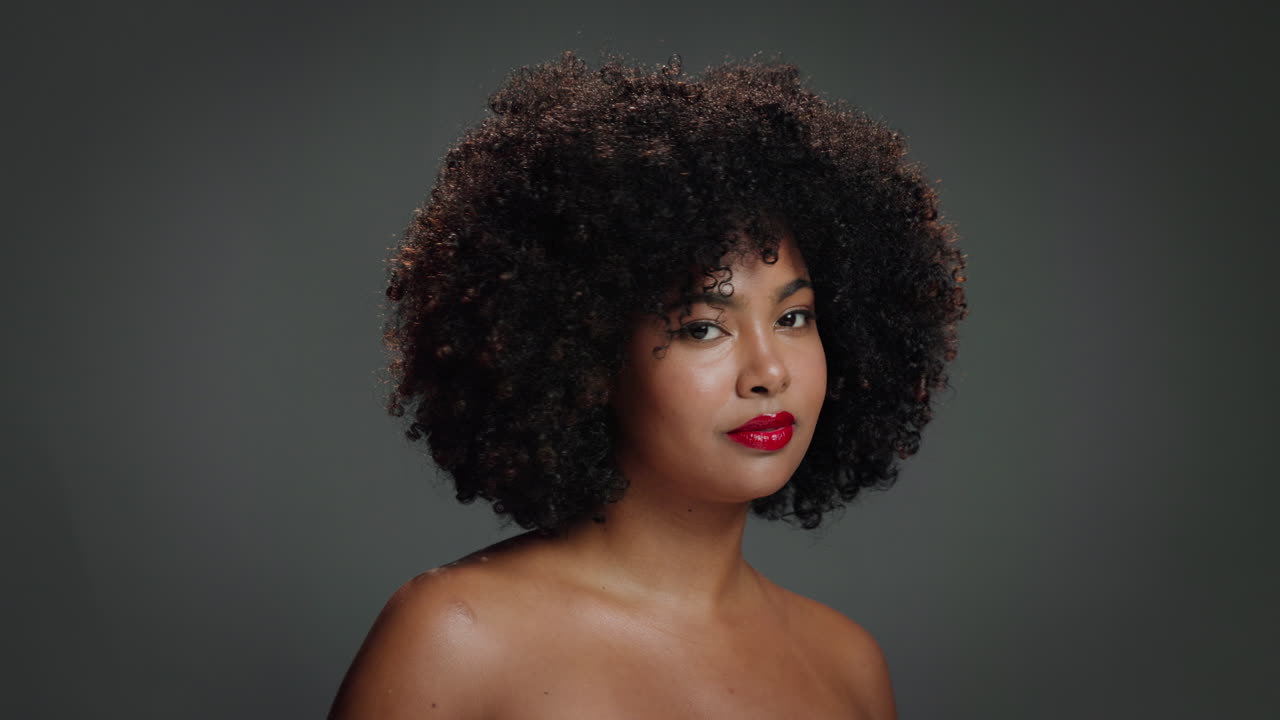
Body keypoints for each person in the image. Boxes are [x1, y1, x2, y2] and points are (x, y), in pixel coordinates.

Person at [328, 50, 967, 719]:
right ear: (587, 352)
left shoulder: (848, 666)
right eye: (702, 328)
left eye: (793, 317)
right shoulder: (455, 640)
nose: (769, 371)